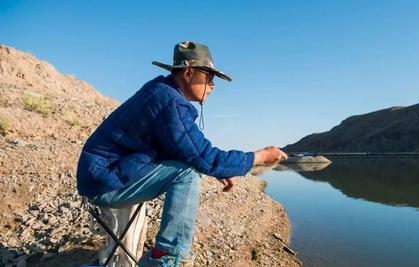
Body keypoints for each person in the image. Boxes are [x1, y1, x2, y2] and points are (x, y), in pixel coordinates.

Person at [76, 41, 288, 267]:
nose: (213, 85)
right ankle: (166, 258)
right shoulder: (170, 103)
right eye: (209, 76)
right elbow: (207, 157)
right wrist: (261, 156)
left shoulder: (162, 92)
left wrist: (216, 170)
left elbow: (185, 149)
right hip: (105, 183)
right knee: (187, 173)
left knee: (191, 165)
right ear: (188, 73)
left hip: (104, 176)